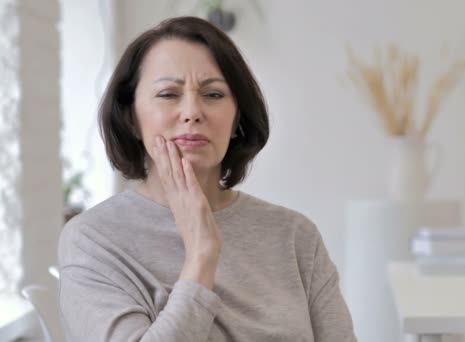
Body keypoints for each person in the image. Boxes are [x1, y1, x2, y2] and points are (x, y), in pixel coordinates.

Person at [58, 16, 357, 342]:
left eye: (213, 94)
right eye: (168, 94)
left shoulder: (295, 236)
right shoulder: (93, 240)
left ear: (236, 118)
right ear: (131, 118)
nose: (192, 112)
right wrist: (201, 253)